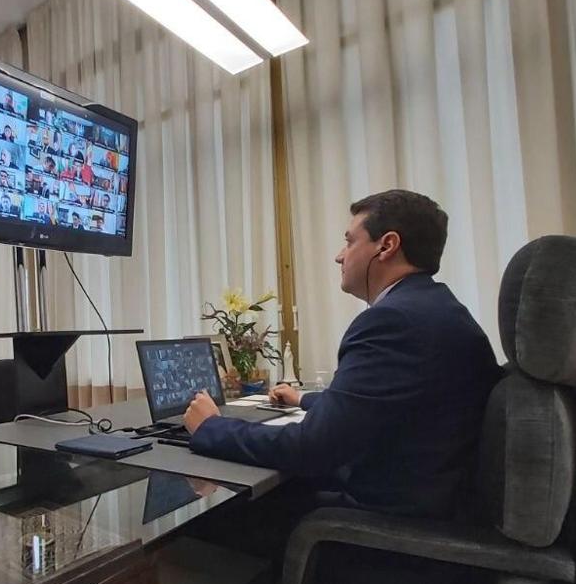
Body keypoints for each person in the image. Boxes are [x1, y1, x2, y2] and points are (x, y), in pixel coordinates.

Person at [183, 190, 501, 551]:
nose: (339, 255)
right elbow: (387, 407)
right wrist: (304, 399)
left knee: (208, 515)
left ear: (387, 246)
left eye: (349, 242)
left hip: (394, 537)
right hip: (433, 508)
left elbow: (312, 448)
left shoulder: (393, 321)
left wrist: (211, 427)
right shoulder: (436, 308)